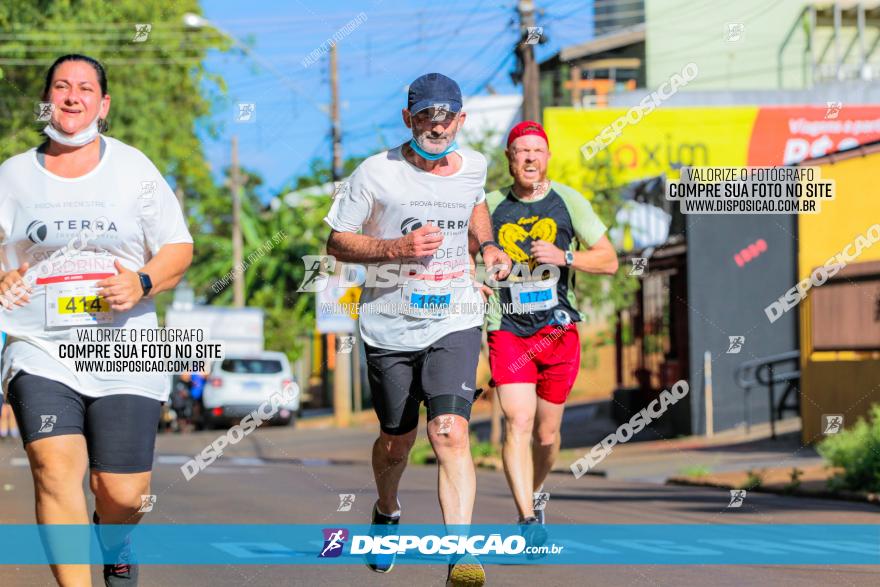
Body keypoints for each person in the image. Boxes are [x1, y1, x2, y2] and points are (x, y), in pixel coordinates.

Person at [0, 54, 193, 586]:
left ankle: (117, 538)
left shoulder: (134, 169)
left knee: (122, 494)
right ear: (47, 99)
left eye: (85, 88)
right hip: (38, 345)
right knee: (55, 468)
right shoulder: (13, 176)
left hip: (124, 347)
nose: (72, 96)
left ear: (102, 105)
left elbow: (178, 247)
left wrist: (143, 282)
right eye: (61, 86)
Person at [324, 72, 510, 587]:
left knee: (448, 432)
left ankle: (461, 557)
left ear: (460, 120)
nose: (436, 125)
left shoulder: (474, 165)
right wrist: (393, 250)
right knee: (396, 441)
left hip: (455, 315)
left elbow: (474, 203)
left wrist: (488, 246)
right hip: (390, 326)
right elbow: (337, 243)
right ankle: (386, 511)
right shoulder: (374, 174)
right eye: (426, 116)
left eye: (445, 116)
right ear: (408, 119)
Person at [484, 121, 618, 531]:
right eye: (521, 151)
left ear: (547, 159)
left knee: (546, 434)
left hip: (558, 330)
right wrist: (475, 281)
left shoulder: (568, 201)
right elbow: (461, 255)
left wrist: (566, 257)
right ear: (509, 158)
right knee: (518, 420)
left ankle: (535, 492)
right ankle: (526, 518)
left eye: (536, 152)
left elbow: (609, 261)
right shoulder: (487, 206)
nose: (529, 158)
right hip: (506, 327)